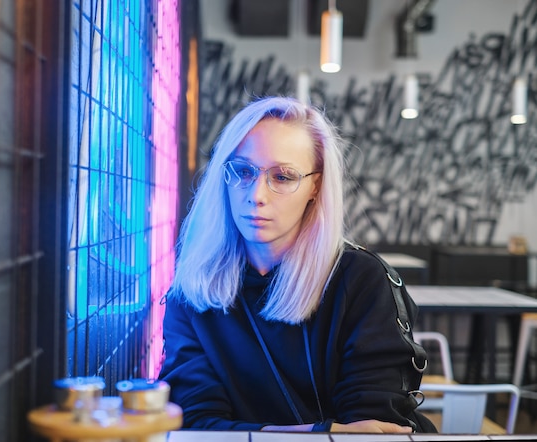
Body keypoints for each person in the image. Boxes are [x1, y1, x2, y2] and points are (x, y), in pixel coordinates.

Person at [158, 96, 434, 433]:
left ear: (315, 187)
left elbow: (372, 429)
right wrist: (319, 433)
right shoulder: (192, 290)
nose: (257, 194)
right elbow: (197, 424)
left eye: (283, 177)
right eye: (243, 171)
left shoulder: (361, 280)